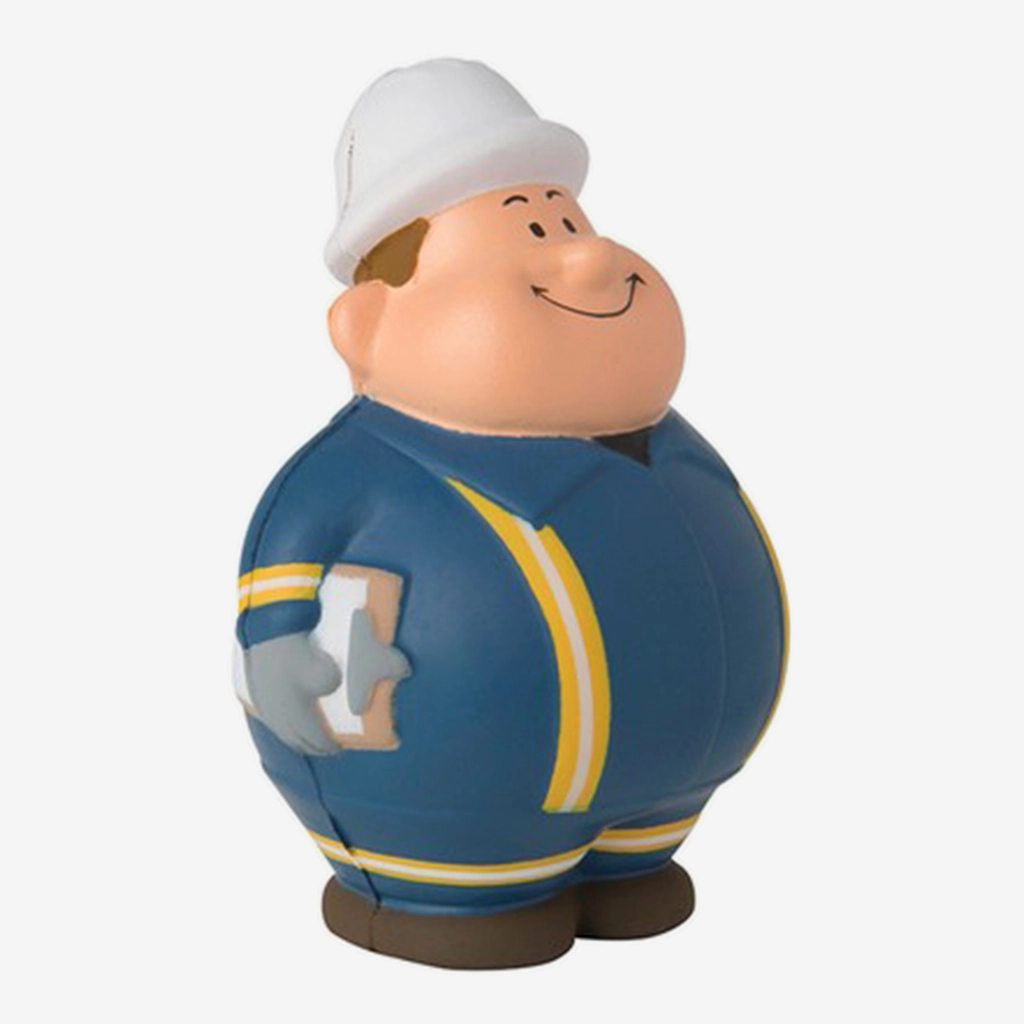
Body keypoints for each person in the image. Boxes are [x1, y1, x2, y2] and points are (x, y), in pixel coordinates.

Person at [235, 58, 788, 968]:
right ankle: (450, 891)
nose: (586, 255)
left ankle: (629, 858)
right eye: (525, 229)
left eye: (565, 220)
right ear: (368, 327)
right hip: (448, 804)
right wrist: (280, 643)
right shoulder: (367, 467)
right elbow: (287, 552)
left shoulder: (668, 440)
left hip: (678, 785)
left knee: (639, 874)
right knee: (474, 884)